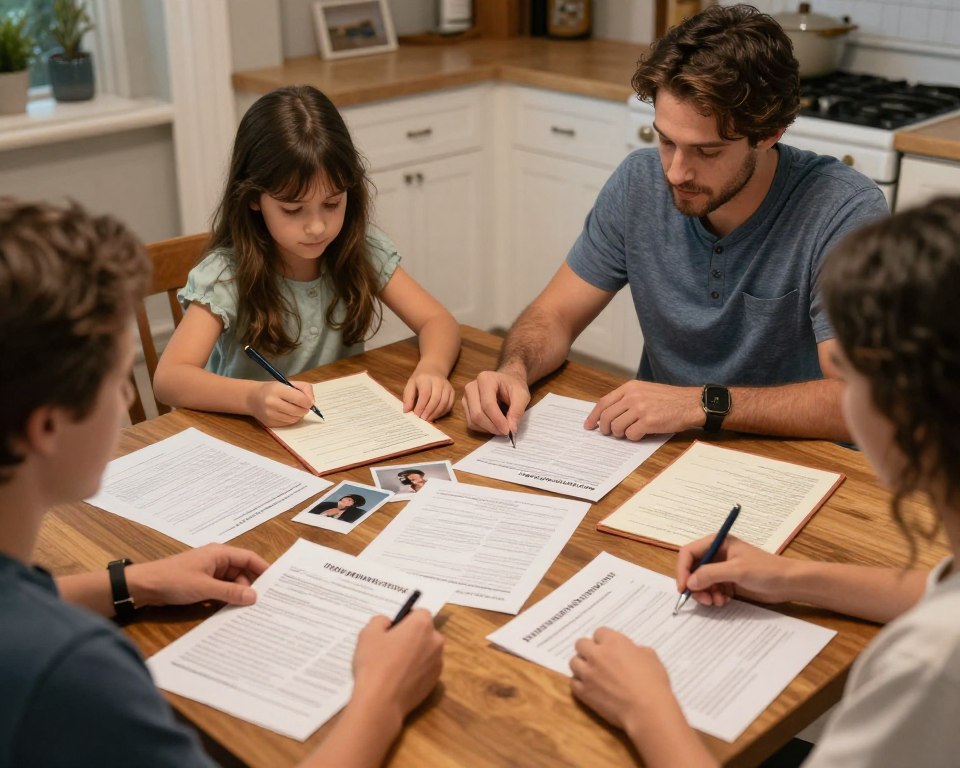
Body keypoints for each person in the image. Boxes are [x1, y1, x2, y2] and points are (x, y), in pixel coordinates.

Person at [0, 198, 444, 767]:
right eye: (119, 380)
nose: (129, 400)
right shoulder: (75, 674)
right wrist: (382, 697)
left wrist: (132, 583)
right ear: (47, 427)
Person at [568, 196, 960, 767]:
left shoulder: (929, 663)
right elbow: (942, 592)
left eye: (847, 379)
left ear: (908, 407)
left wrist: (645, 708)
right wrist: (787, 576)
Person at [462, 4, 888, 444]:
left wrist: (700, 404)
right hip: (661, 448)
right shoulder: (638, 183)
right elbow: (554, 315)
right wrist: (512, 370)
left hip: (797, 463)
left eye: (707, 152)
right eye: (666, 141)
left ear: (769, 134)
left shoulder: (844, 213)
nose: (676, 172)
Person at [154, 85, 460, 427]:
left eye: (332, 204)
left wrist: (432, 370)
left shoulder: (358, 248)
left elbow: (438, 321)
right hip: (245, 435)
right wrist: (252, 397)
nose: (317, 227)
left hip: (333, 430)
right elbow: (169, 379)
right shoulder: (227, 274)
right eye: (293, 209)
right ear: (253, 199)